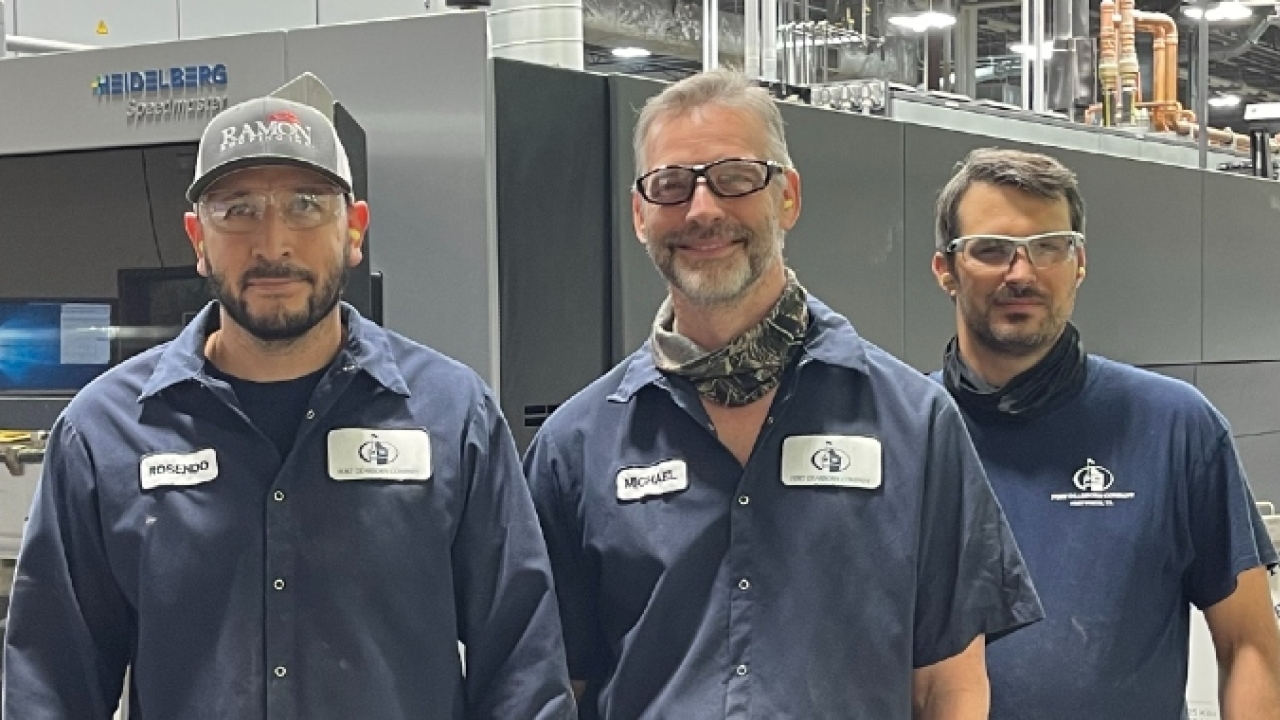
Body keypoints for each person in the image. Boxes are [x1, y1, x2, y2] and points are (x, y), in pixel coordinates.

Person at [2, 94, 574, 720]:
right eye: (237, 209)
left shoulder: (451, 416)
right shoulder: (104, 434)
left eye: (305, 205)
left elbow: (523, 670)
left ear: (354, 229)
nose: (272, 242)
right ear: (198, 238)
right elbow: (49, 687)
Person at [524, 68, 1043, 720]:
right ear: (640, 214)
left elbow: (948, 686)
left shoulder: (915, 425)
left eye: (736, 178)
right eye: (672, 185)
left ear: (788, 197)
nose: (703, 209)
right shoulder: (576, 448)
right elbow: (561, 686)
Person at [930, 147, 1280, 718]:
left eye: (1049, 247)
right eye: (991, 251)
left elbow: (1249, 647)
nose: (1022, 273)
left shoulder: (1174, 427)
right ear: (946, 269)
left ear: (1079, 262)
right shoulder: (905, 429)